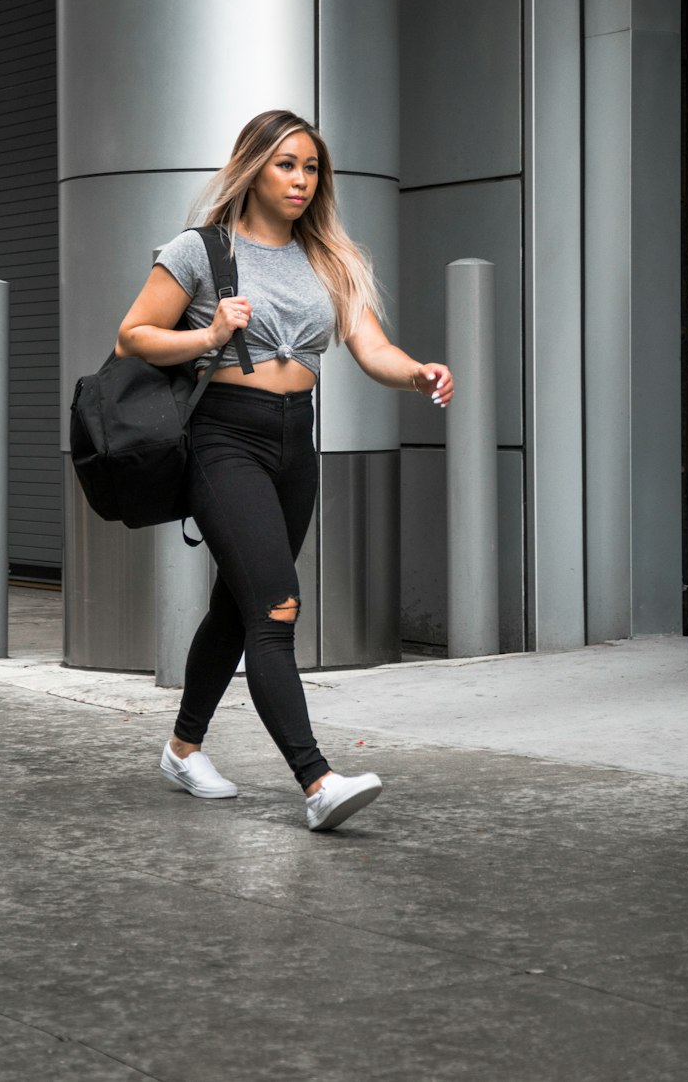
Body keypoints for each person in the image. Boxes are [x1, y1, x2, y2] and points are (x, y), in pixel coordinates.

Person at [116, 110, 453, 831]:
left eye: (311, 167)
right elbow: (133, 336)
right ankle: (317, 780)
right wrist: (209, 334)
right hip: (222, 440)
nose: (302, 180)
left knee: (237, 608)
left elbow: (371, 348)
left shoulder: (331, 257)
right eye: (286, 165)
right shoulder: (200, 250)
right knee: (275, 604)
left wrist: (417, 374)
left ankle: (182, 749)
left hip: (295, 442)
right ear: (253, 168)